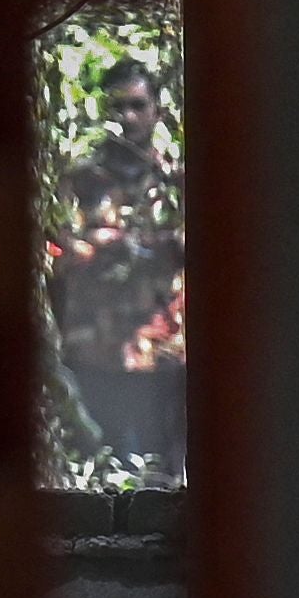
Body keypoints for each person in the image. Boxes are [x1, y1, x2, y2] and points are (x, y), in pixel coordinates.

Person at [48, 56, 187, 470]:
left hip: (163, 353)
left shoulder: (177, 181)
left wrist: (161, 245)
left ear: (156, 112)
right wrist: (97, 248)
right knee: (105, 473)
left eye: (137, 106)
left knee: (164, 475)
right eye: (117, 108)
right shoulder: (81, 180)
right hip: (97, 353)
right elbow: (57, 254)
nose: (127, 117)